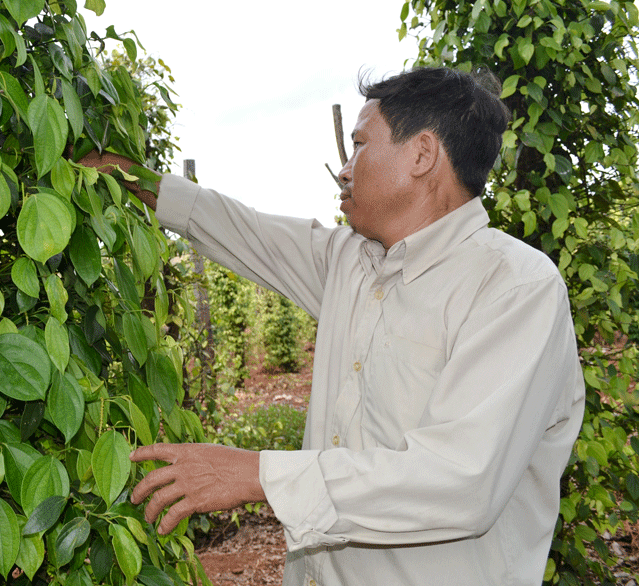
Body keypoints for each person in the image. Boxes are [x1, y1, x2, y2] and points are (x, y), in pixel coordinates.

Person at [79, 66, 585, 586]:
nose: (344, 170)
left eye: (360, 145)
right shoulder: (351, 261)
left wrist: (259, 475)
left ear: (423, 154)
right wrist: (127, 175)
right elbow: (241, 229)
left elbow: (461, 478)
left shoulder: (514, 289)